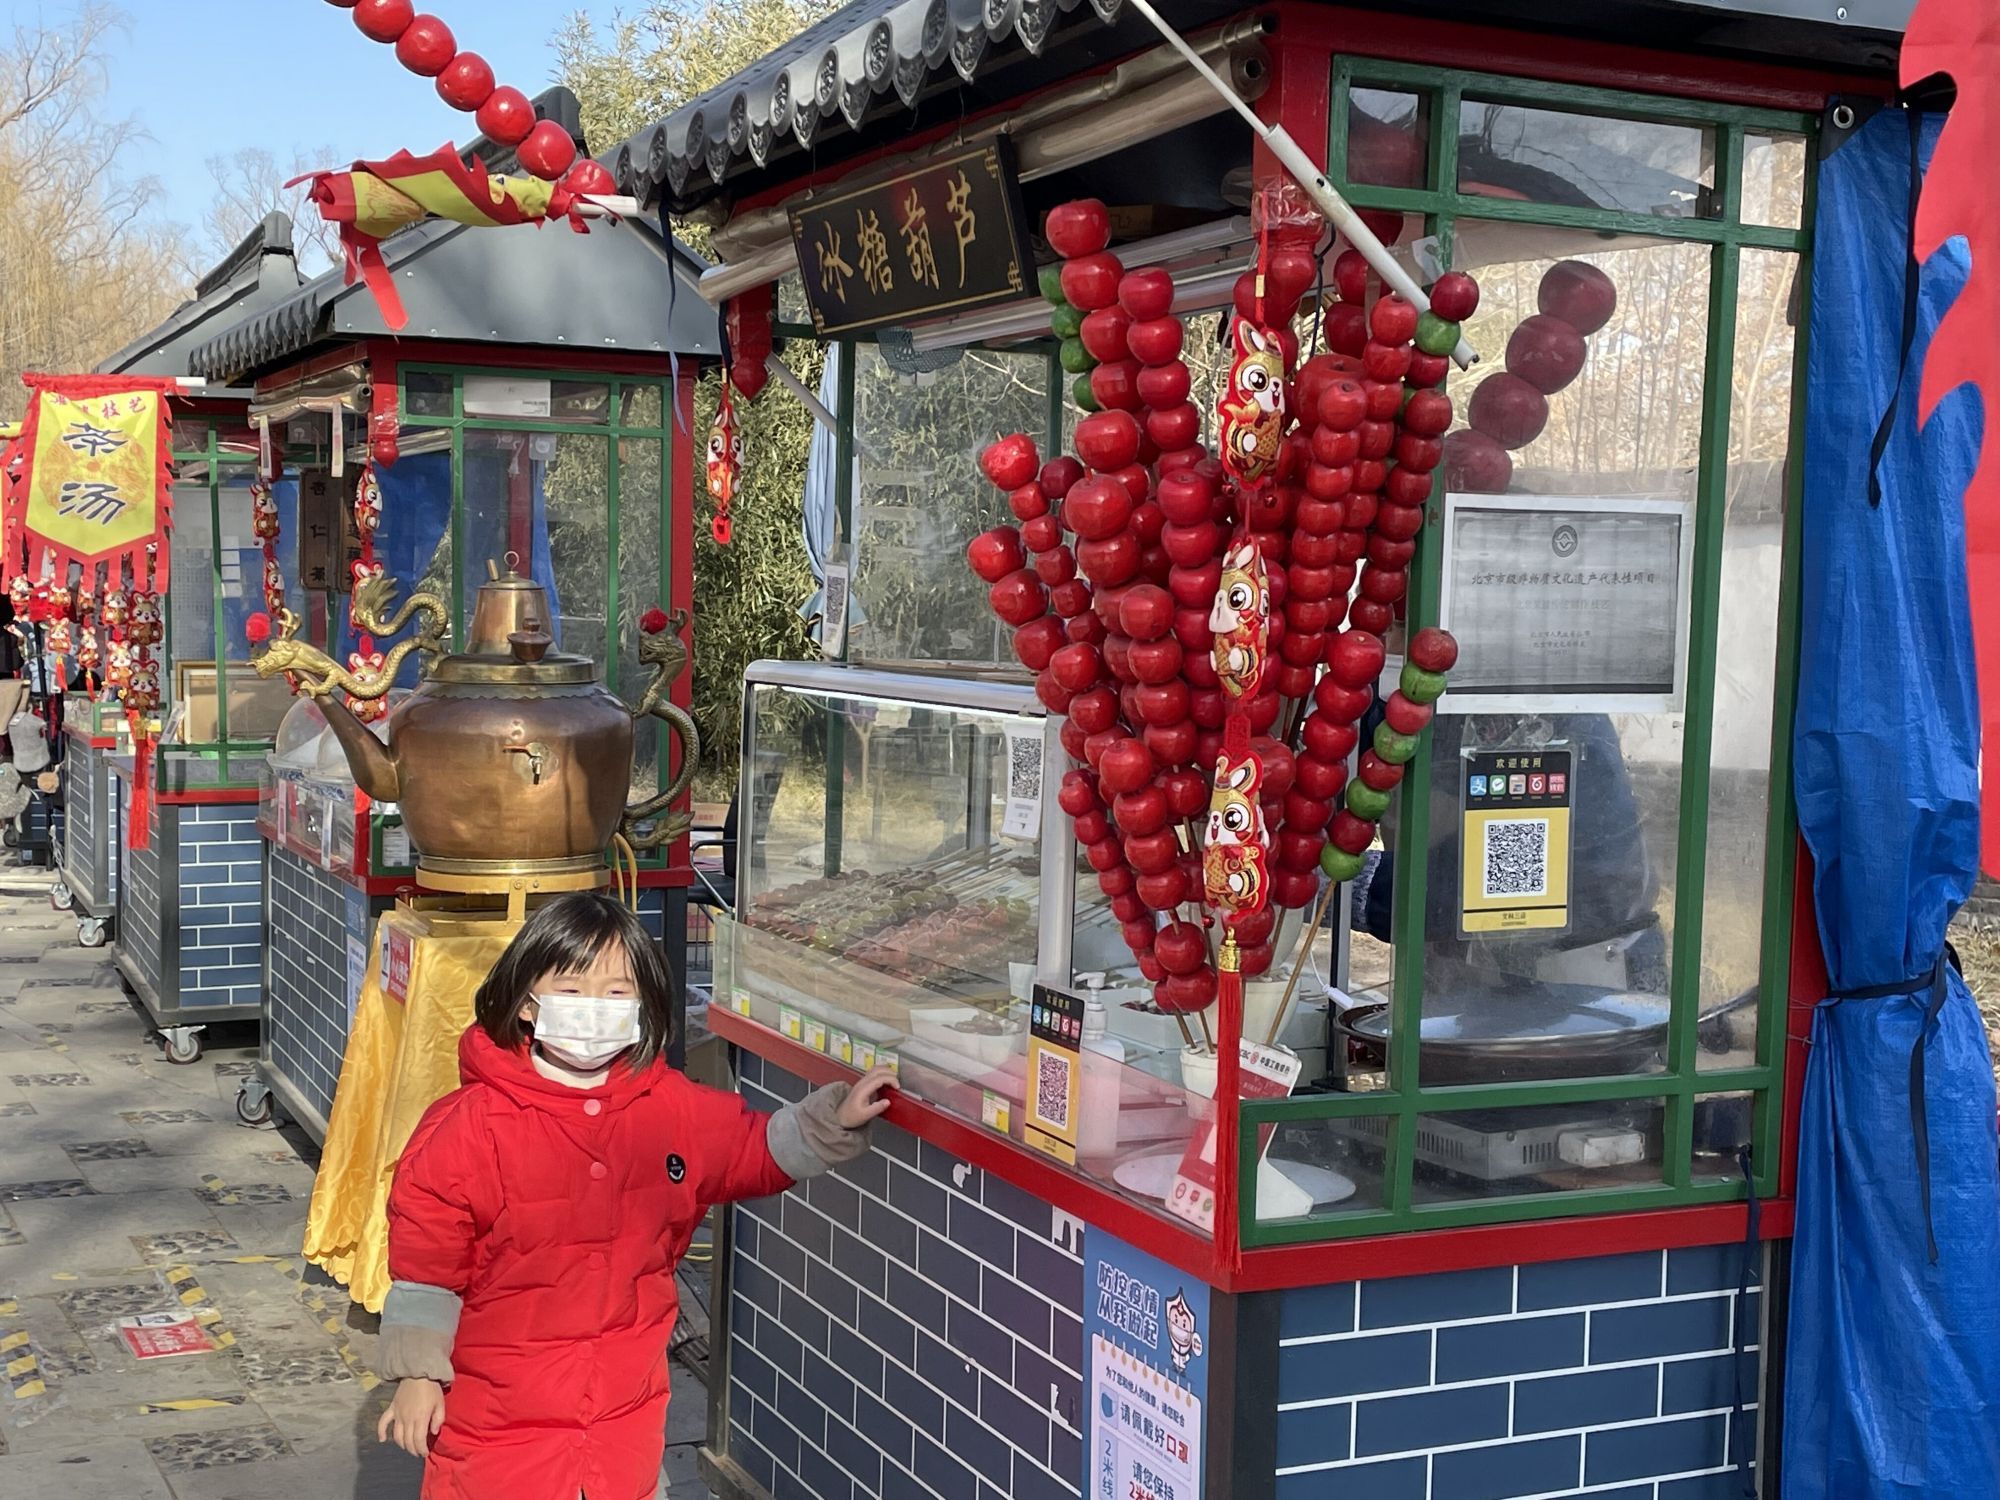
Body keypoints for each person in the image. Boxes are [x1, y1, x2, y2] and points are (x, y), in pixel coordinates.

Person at [373, 891, 895, 1498]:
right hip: (497, 1432)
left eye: (617, 992)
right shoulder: (466, 1126)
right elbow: (427, 1269)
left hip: (624, 1424)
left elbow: (753, 1149)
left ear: (644, 1007)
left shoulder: (671, 1107)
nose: (594, 1007)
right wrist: (418, 1376)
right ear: (524, 1003)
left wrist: (831, 1119)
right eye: (570, 988)